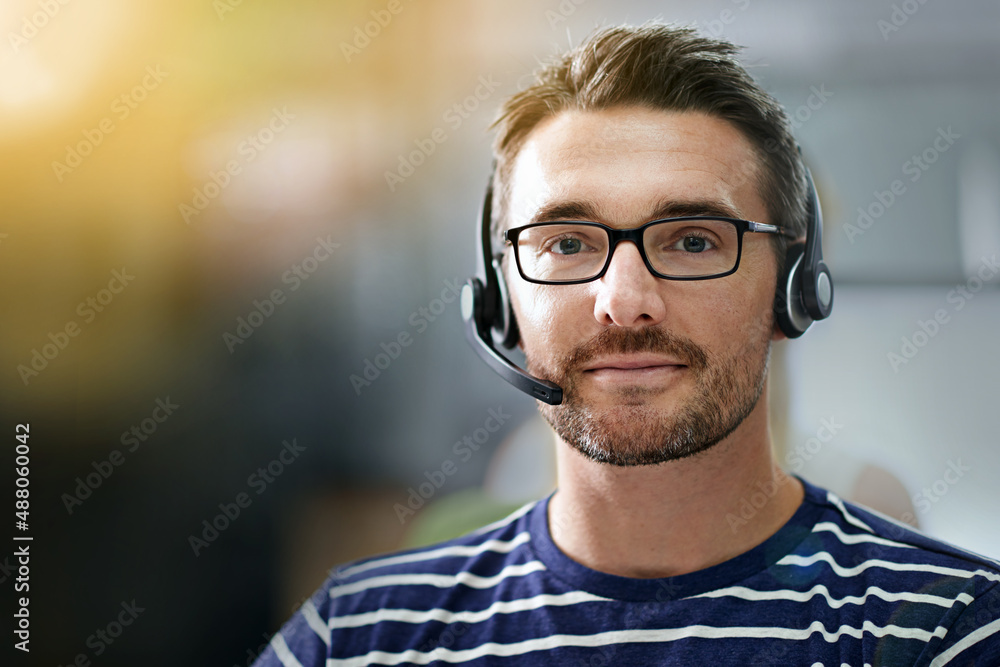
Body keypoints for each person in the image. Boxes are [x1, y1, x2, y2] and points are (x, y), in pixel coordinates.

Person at [253, 23, 1000, 666]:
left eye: (694, 239)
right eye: (568, 241)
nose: (625, 300)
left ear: (794, 287)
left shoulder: (949, 629)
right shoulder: (357, 636)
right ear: (499, 298)